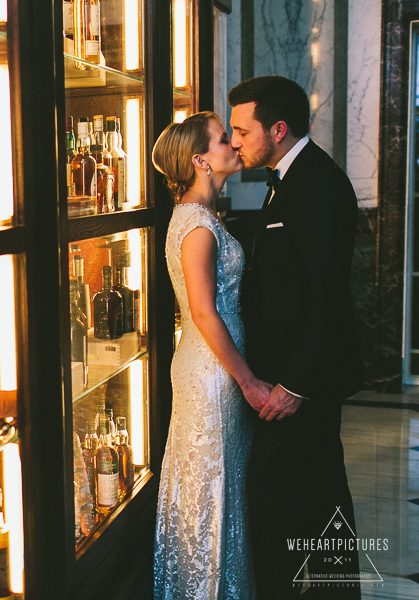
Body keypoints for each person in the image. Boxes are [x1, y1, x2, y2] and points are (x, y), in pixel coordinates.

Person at [229, 75, 363, 599]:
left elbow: (325, 300)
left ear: (278, 129)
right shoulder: (289, 177)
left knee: (296, 502)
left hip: (302, 383)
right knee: (316, 498)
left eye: (242, 129)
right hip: (289, 376)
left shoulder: (320, 185)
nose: (235, 140)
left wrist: (295, 385)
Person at [151, 111, 271, 599]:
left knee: (217, 488)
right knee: (212, 490)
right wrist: (249, 381)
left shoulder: (199, 216)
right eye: (226, 139)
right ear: (201, 159)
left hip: (211, 367)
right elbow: (203, 313)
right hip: (215, 375)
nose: (235, 145)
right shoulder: (197, 225)